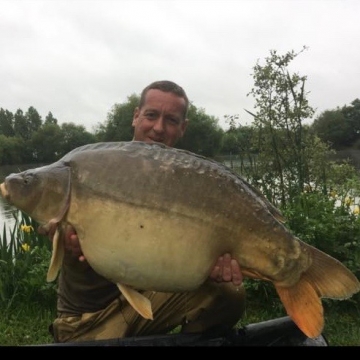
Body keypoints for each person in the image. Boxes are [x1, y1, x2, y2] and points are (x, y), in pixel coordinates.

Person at [49, 80, 246, 343]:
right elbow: (49, 217)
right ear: (136, 116)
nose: (158, 128)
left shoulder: (187, 182)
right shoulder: (96, 167)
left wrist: (209, 263)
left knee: (229, 292)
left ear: (183, 128)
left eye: (171, 120)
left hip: (149, 306)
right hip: (87, 322)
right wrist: (60, 235)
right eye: (151, 115)